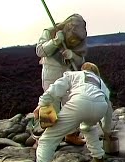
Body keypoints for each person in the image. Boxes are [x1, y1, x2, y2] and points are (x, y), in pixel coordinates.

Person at [32, 62, 113, 162]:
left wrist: (42, 103)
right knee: (88, 129)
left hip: (79, 103)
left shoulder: (75, 74)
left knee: (48, 139)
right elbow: (109, 109)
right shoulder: (102, 84)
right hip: (100, 107)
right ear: (96, 73)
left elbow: (55, 88)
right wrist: (107, 130)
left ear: (83, 69)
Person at [35, 13, 87, 145]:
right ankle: (47, 139)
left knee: (72, 103)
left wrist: (73, 55)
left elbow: (81, 59)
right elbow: (40, 51)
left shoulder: (80, 39)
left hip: (68, 73)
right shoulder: (50, 32)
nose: (74, 41)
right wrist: (55, 42)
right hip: (51, 72)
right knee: (50, 105)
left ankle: (72, 134)